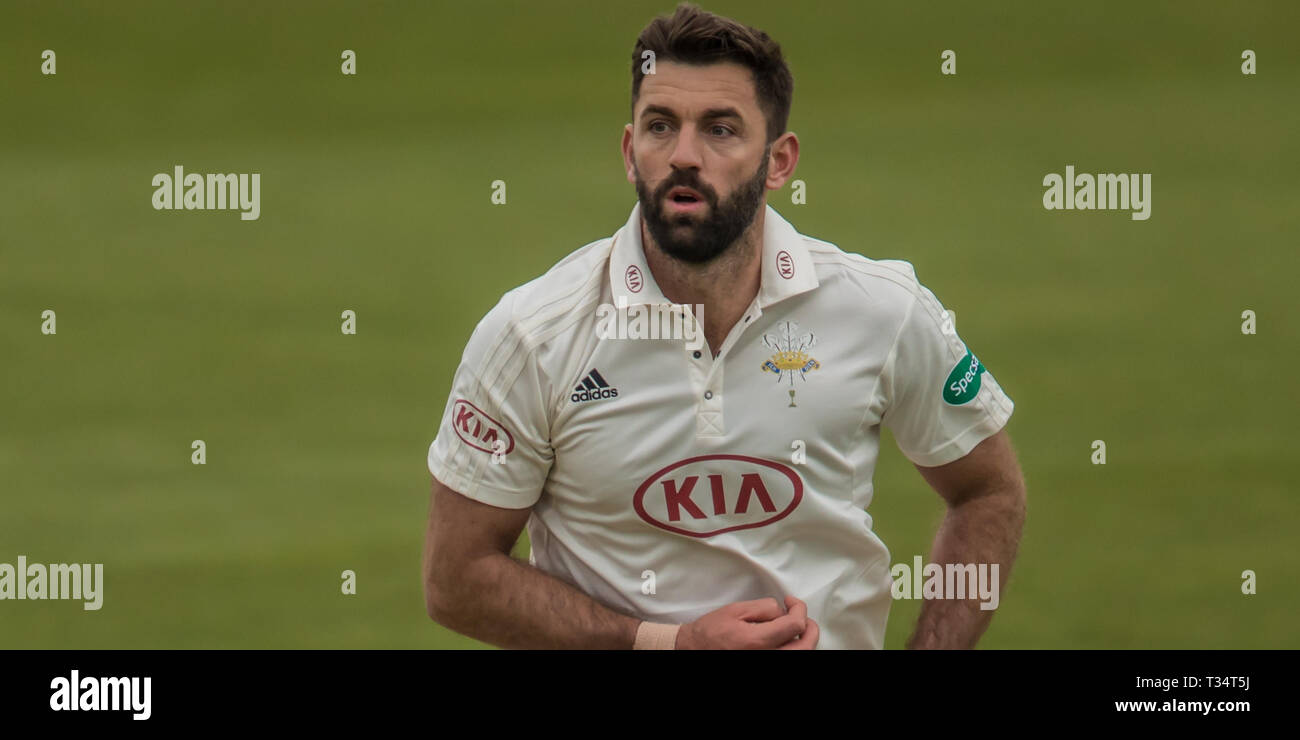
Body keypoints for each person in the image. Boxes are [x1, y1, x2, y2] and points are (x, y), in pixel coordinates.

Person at [423, 2, 1026, 649]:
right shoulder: (534, 335)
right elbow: (456, 578)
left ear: (779, 161)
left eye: (720, 129)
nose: (684, 155)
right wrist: (669, 644)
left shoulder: (882, 308)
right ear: (631, 152)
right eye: (660, 126)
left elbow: (987, 490)